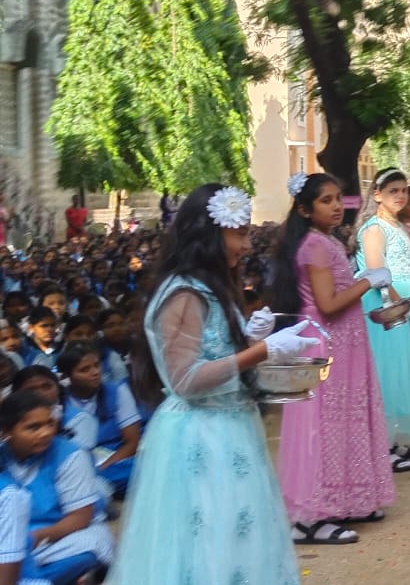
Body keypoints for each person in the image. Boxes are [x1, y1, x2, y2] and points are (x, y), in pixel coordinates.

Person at [108, 184, 319, 584]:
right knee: (207, 546)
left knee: (238, 541)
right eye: (239, 234)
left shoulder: (210, 285)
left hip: (230, 427)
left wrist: (253, 339)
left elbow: (214, 351)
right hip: (201, 436)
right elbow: (185, 379)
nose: (246, 244)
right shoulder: (184, 293)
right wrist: (262, 351)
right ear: (209, 235)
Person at [269, 172, 396, 545]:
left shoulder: (324, 240)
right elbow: (327, 304)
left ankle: (348, 499)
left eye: (338, 198)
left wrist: (361, 282)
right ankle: (311, 516)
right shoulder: (315, 245)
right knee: (321, 427)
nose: (337, 206)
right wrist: (368, 281)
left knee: (342, 421)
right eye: (326, 200)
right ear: (305, 209)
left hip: (343, 341)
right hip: (325, 342)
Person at [355, 168, 410, 461]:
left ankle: (389, 441)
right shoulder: (374, 228)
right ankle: (379, 448)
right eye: (393, 191)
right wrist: (406, 300)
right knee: (385, 378)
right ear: (377, 195)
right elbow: (378, 274)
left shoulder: (398, 226)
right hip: (384, 308)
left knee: (402, 376)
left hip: (402, 303)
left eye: (403, 190)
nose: (400, 196)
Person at [0, 390, 112, 584]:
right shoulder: (2, 457)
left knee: (91, 546)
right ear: (7, 432)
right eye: (33, 427)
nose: (45, 433)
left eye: (50, 424)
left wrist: (35, 538)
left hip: (55, 536)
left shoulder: (70, 455)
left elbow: (80, 517)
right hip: (9, 538)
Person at [56, 343, 140, 495]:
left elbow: (133, 442)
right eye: (84, 370)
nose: (95, 372)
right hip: (78, 463)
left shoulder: (117, 391)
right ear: (68, 376)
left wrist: (103, 467)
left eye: (96, 365)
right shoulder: (61, 400)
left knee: (139, 468)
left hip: (114, 461)